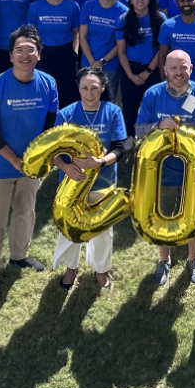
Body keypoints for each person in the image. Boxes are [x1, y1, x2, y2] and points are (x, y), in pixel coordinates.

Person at [0, 25, 59, 298]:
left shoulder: (48, 83)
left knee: (26, 212)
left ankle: (18, 255)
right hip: (1, 166)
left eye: (30, 50)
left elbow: (49, 124)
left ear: (39, 54)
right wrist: (14, 160)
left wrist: (39, 157)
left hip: (32, 165)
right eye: (19, 50)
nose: (25, 55)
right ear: (10, 55)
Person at [135, 49, 195, 287]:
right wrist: (156, 125)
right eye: (173, 67)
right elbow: (138, 130)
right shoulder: (153, 95)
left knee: (194, 218)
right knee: (163, 215)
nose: (178, 72)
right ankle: (164, 260)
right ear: (164, 70)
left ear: (191, 69)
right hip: (161, 173)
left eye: (183, 67)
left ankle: (193, 260)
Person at [51, 66, 131, 290]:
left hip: (104, 182)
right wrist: (66, 167)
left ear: (103, 88)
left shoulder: (113, 111)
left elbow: (121, 147)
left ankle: (101, 270)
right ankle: (70, 268)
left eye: (94, 88)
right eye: (85, 88)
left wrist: (100, 163)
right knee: (71, 227)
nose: (89, 93)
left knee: (103, 229)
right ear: (78, 88)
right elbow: (53, 152)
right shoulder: (65, 114)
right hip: (72, 183)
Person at [115, 0, 165, 135]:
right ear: (130, 0)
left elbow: (162, 50)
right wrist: (131, 75)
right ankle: (130, 141)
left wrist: (147, 72)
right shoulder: (123, 19)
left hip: (152, 69)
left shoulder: (159, 18)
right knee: (129, 107)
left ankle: (152, 138)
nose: (140, 0)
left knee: (152, 106)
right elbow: (121, 50)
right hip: (130, 68)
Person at [27, 0, 81, 107]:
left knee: (67, 92)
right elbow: (31, 35)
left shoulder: (73, 6)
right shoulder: (35, 7)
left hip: (66, 53)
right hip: (44, 54)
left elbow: (76, 32)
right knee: (45, 91)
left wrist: (74, 53)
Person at [79, 0, 127, 104]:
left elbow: (120, 45)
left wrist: (102, 62)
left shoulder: (123, 12)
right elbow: (82, 37)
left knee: (107, 103)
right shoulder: (88, 6)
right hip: (87, 63)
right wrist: (92, 62)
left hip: (110, 66)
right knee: (87, 101)